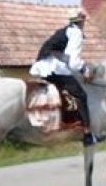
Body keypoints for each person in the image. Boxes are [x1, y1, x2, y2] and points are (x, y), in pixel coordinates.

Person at [29, 10, 99, 145]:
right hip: (54, 67)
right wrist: (84, 70)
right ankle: (87, 135)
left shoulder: (65, 30)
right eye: (84, 19)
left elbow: (67, 58)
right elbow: (73, 62)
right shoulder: (76, 33)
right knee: (81, 96)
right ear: (81, 20)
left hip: (44, 66)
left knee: (63, 91)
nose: (84, 22)